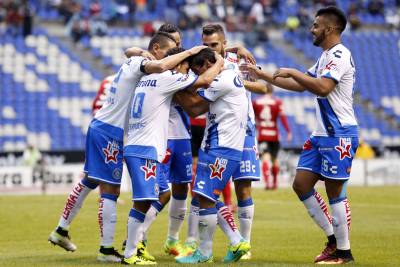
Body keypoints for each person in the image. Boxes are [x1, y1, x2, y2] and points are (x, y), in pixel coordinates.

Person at [48, 31, 197, 262]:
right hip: (110, 130)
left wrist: (140, 51)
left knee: (90, 179)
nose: (170, 60)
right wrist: (187, 54)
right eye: (168, 53)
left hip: (107, 128)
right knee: (110, 191)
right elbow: (152, 62)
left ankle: (61, 229)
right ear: (157, 49)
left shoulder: (136, 60)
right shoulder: (145, 65)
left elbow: (131, 51)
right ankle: (106, 250)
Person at [243, 6, 358, 264]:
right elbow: (300, 85)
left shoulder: (339, 54)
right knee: (301, 184)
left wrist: (293, 71)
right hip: (321, 134)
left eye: (316, 25)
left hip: (338, 134)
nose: (311, 29)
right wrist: (260, 74)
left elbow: (324, 87)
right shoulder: (325, 57)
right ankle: (332, 239)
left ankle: (344, 252)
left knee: (335, 192)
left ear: (329, 29)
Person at [121, 46, 223, 265]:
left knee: (149, 199)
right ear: (177, 64)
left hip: (138, 144)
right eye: (186, 69)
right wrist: (221, 61)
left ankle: (133, 249)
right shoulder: (168, 78)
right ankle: (131, 252)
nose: (187, 74)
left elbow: (131, 53)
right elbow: (205, 81)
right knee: (143, 202)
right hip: (144, 147)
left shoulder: (146, 76)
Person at [183, 24, 266, 261]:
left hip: (244, 128)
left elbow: (263, 86)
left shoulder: (237, 61)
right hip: (218, 126)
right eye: (206, 45)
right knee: (205, 192)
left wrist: (235, 83)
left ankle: (243, 245)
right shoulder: (204, 64)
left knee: (242, 187)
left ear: (225, 43)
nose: (211, 49)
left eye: (215, 45)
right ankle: (210, 244)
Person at [174, 47, 251, 264]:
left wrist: (174, 87)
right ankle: (236, 241)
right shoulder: (231, 69)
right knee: (204, 196)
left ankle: (204, 254)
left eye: (200, 72)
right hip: (223, 145)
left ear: (208, 66)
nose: (201, 77)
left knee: (206, 199)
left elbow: (193, 109)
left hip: (221, 146)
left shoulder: (222, 79)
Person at [252, 83, 292, 190]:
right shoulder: (278, 102)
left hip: (263, 134)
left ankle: (267, 183)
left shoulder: (256, 102)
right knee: (275, 160)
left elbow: (252, 118)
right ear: (272, 91)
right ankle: (274, 183)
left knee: (265, 158)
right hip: (274, 135)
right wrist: (288, 132)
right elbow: (283, 118)